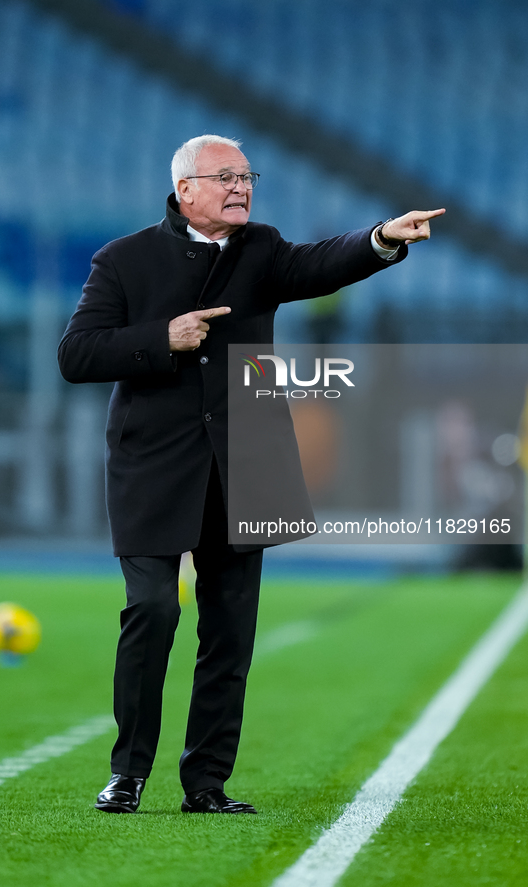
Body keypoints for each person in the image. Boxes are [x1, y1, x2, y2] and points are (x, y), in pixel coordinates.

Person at [58, 134, 444, 815]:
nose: (242, 186)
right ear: (186, 191)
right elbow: (76, 353)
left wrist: (381, 238)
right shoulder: (123, 261)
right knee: (151, 608)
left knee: (229, 630)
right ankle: (128, 773)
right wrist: (162, 338)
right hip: (153, 466)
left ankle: (206, 783)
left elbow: (319, 264)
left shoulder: (261, 249)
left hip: (245, 463)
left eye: (247, 175)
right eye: (226, 176)